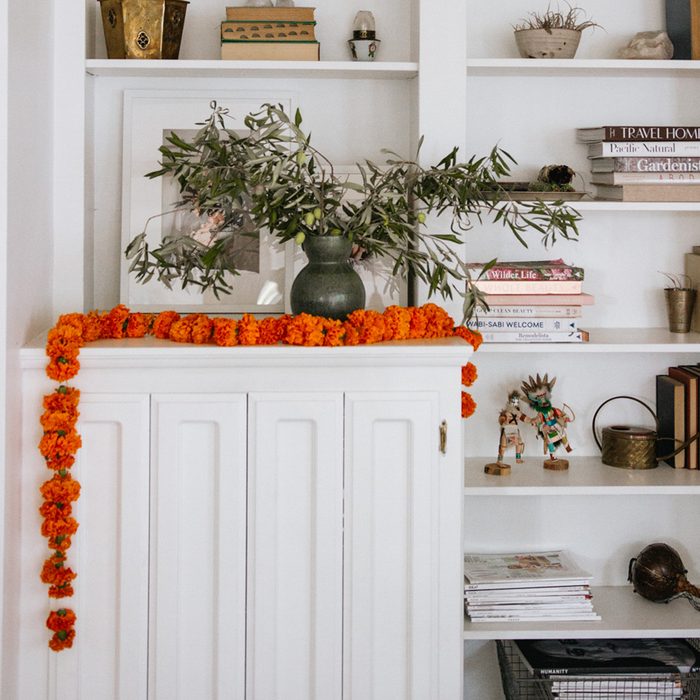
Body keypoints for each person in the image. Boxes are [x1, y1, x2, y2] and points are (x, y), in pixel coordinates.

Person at [520, 373, 573, 461]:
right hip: (547, 428)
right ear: (538, 404)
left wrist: (565, 418)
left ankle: (567, 447)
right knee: (549, 441)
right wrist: (535, 423)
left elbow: (562, 414)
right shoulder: (541, 413)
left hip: (555, 424)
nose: (544, 403)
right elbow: (537, 420)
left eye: (545, 400)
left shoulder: (554, 410)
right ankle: (552, 456)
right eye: (541, 402)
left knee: (563, 434)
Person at [497, 390, 525, 464]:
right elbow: (501, 419)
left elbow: (525, 418)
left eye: (516, 401)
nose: (515, 403)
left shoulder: (518, 413)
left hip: (515, 430)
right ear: (510, 401)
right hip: (507, 430)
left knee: (518, 443)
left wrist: (532, 421)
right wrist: (503, 420)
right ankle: (499, 461)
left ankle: (518, 459)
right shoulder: (506, 412)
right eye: (513, 401)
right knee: (503, 446)